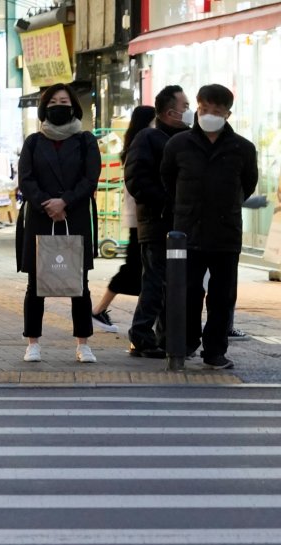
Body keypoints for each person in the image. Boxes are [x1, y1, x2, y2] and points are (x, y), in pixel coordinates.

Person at [160, 83, 258, 370]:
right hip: (187, 233)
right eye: (204, 108)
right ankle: (186, 343)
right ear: (197, 109)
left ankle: (215, 351)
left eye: (216, 110)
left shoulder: (242, 148)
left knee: (222, 297)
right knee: (187, 292)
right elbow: (167, 180)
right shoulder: (178, 144)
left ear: (227, 114)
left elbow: (248, 185)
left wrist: (228, 205)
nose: (209, 114)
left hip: (226, 233)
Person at [15, 84, 102, 364]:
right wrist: (47, 203)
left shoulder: (86, 140)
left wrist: (64, 202)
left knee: (79, 282)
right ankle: (33, 343)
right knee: (36, 283)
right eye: (53, 101)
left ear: (74, 106)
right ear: (44, 107)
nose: (58, 105)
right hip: (41, 217)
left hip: (73, 215)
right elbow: (26, 179)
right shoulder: (33, 142)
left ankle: (83, 343)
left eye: (64, 101)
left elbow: (90, 178)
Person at [125, 85, 191, 358]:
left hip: (181, 225)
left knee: (172, 282)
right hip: (157, 223)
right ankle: (141, 335)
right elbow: (136, 179)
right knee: (155, 280)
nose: (189, 112)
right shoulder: (149, 138)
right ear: (169, 111)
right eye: (185, 107)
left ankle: (167, 337)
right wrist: (167, 202)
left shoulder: (188, 139)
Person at [90, 104, 156, 333]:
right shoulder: (142, 147)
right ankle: (98, 310)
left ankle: (149, 317)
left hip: (139, 219)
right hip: (141, 219)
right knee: (135, 269)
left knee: (141, 269)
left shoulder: (135, 146)